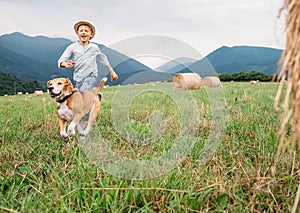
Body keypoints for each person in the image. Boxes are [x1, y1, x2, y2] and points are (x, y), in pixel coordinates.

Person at [57, 21, 118, 100]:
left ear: (91, 34)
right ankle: (96, 96)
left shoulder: (94, 48)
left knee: (82, 94)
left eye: (86, 31)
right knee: (82, 95)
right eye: (81, 30)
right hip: (78, 77)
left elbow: (103, 58)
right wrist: (65, 64)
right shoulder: (72, 47)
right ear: (77, 33)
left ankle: (84, 109)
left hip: (91, 75)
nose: (83, 33)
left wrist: (111, 71)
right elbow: (61, 60)